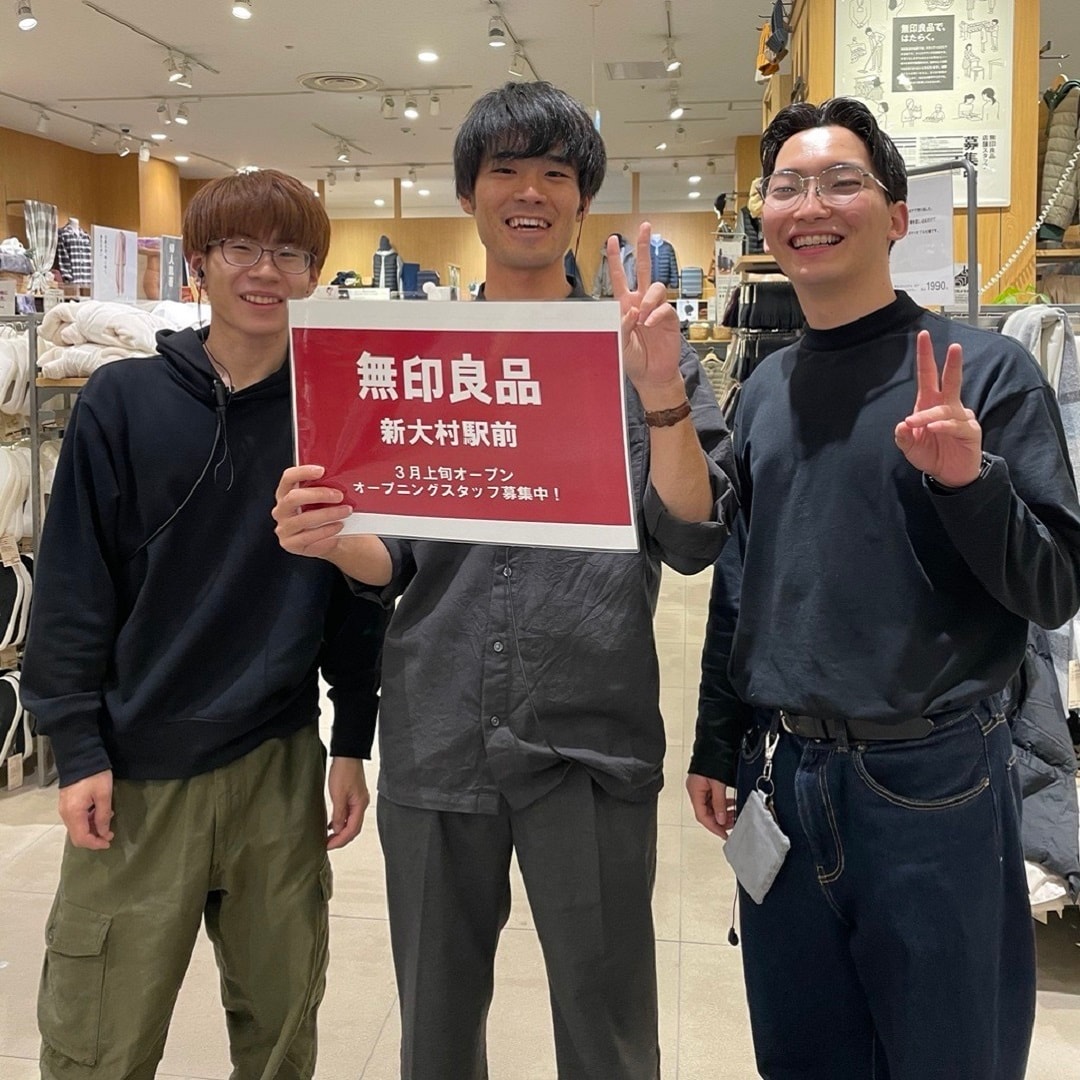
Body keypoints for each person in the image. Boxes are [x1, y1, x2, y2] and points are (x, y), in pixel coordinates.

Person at [273, 80, 737, 1080]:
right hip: (438, 730)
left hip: (591, 737)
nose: (531, 191)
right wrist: (330, 537)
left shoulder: (639, 351)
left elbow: (691, 539)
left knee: (609, 1031)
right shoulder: (414, 358)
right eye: (506, 170)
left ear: (583, 198)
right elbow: (395, 556)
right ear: (468, 194)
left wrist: (661, 393)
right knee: (436, 1030)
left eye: (556, 173)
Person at [687, 97, 1080, 1080]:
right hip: (785, 777)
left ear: (898, 216)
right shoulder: (765, 389)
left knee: (950, 1056)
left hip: (934, 782)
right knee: (801, 1056)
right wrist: (715, 743)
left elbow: (1055, 588)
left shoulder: (986, 375)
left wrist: (970, 482)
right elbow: (740, 580)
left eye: (840, 181)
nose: (810, 204)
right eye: (786, 186)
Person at [21, 169, 386, 1080]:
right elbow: (72, 585)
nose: (266, 271)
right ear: (199, 262)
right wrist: (77, 746)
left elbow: (356, 598)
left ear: (315, 272)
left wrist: (353, 739)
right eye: (240, 248)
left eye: (290, 253)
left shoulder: (334, 413)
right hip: (136, 765)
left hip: (277, 760)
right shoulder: (121, 402)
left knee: (281, 1026)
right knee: (98, 1039)